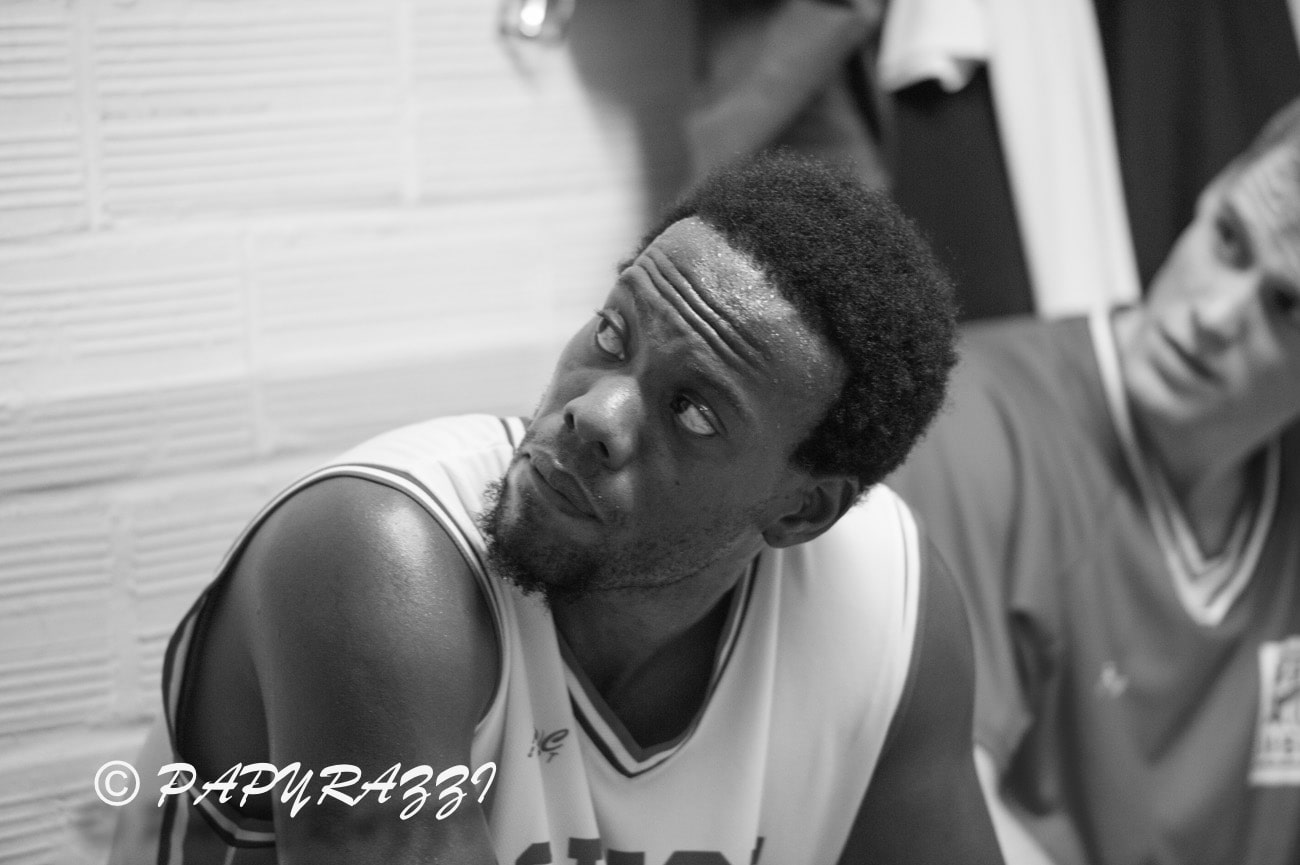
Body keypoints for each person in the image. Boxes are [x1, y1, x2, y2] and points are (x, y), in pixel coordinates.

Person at [107, 152, 1004, 865]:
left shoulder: (888, 604)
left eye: (694, 412)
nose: (595, 415)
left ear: (802, 513)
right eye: (613, 334)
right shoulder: (378, 554)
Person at [889, 96, 1300, 865]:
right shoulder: (975, 422)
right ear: (1211, 192)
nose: (1215, 314)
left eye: (1286, 305)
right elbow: (922, 818)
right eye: (1228, 238)